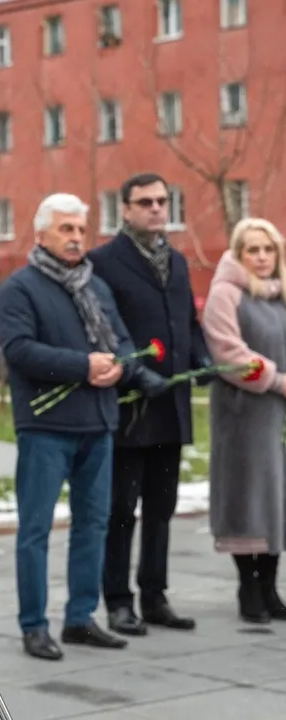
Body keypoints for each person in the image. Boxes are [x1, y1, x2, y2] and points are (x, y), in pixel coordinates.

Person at [0, 194, 169, 661]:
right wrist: (83, 366)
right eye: (65, 229)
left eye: (80, 230)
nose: (75, 238)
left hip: (99, 422)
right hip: (45, 427)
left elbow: (122, 341)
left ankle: (80, 619)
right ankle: (34, 625)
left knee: (93, 524)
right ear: (42, 234)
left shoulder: (95, 286)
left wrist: (120, 367)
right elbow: (19, 351)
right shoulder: (19, 288)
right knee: (36, 529)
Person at [87, 173, 212, 637]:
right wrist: (139, 373)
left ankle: (154, 595)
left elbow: (189, 323)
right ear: (125, 208)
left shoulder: (177, 262)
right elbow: (104, 329)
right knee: (122, 508)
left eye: (162, 200)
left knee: (162, 507)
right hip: (130, 405)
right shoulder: (103, 262)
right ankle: (118, 601)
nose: (157, 208)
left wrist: (203, 359)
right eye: (146, 202)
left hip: (172, 404)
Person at [201, 217, 286, 624]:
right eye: (253, 249)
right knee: (246, 495)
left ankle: (270, 587)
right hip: (243, 413)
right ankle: (247, 587)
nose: (263, 257)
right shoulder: (226, 294)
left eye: (269, 249)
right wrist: (277, 379)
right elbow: (229, 354)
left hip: (279, 415)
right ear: (239, 254)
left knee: (277, 498)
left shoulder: (281, 294)